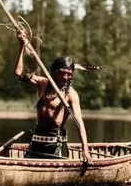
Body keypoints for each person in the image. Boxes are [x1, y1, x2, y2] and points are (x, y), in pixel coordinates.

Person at [14, 31, 93, 163]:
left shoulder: (70, 95)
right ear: (53, 72)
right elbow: (18, 72)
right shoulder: (43, 83)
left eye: (69, 74)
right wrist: (21, 44)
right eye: (62, 73)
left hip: (54, 143)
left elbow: (80, 124)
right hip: (36, 139)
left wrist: (85, 150)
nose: (65, 77)